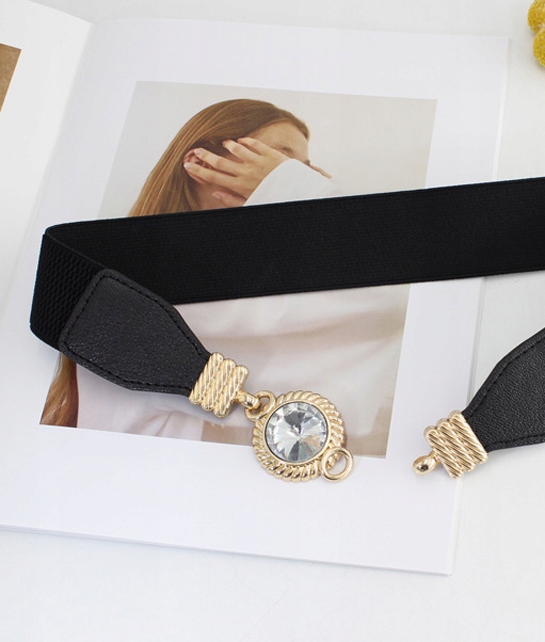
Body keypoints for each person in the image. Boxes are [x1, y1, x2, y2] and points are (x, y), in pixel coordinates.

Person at [41, 98, 407, 458]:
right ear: (201, 163)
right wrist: (306, 196)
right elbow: (392, 295)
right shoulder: (148, 278)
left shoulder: (244, 277)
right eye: (280, 161)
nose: (295, 175)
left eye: (302, 169)